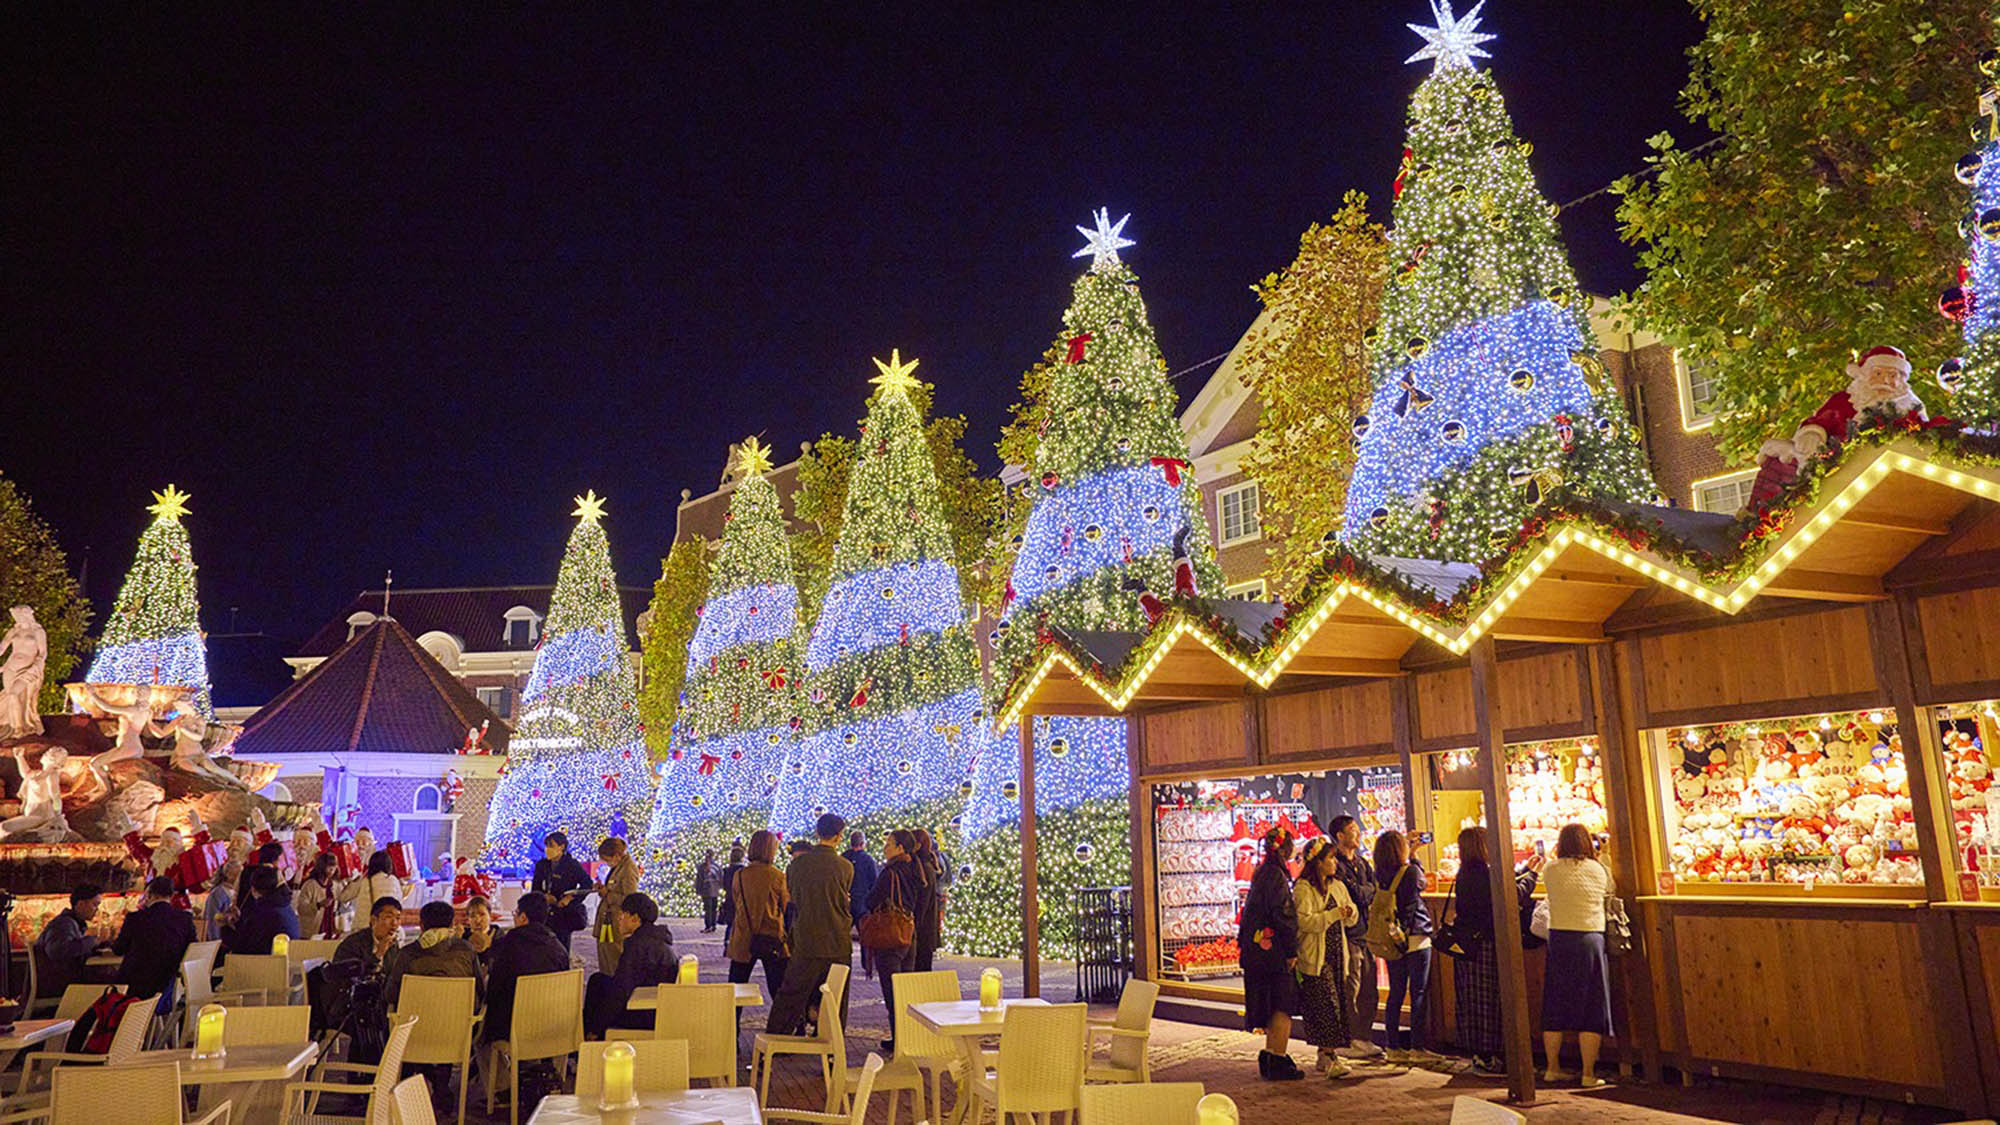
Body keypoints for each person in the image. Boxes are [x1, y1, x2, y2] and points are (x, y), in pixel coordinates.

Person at [1449, 826, 1541, 1077]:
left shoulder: (1466, 872)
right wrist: (1532, 876)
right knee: (1490, 1001)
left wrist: (1523, 872)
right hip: (1486, 944)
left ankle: (1480, 1056)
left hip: (1467, 946)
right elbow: (1510, 897)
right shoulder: (1484, 874)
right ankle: (1489, 1058)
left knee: (1472, 1001)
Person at [766, 813, 854, 1037]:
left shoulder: (797, 866)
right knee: (836, 997)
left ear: (817, 833)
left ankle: (776, 1040)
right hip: (837, 938)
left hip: (806, 937)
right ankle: (832, 1046)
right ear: (839, 836)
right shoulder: (845, 866)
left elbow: (793, 898)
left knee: (791, 993)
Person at [1541, 823, 1614, 1087]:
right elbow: (1611, 888)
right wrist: (1604, 853)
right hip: (1590, 938)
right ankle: (1587, 1074)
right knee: (1592, 1006)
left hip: (1559, 939)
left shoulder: (1551, 869)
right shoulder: (1598, 868)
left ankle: (1552, 1068)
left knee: (1554, 1004)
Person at [1237, 827, 1304, 1080]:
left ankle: (1271, 1055)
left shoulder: (1262, 873)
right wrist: (1291, 948)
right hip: (1273, 952)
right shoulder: (1276, 876)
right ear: (1284, 849)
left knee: (1272, 1001)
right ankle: (1277, 1056)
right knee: (1281, 1004)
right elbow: (1283, 914)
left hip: (1258, 950)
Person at [1293, 837, 1359, 1079]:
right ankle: (1330, 1056)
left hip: (1337, 952)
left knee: (1336, 1001)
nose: (1334, 862)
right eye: (1330, 858)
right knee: (1325, 1003)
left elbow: (1351, 913)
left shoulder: (1337, 885)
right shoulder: (1303, 888)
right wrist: (1332, 914)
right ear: (1318, 862)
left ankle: (1325, 1053)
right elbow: (1304, 921)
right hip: (1315, 954)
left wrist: (1349, 913)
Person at [1372, 829, 1437, 1064]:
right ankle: (1417, 1047)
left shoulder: (1379, 873)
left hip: (1392, 938)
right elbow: (1422, 885)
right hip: (1414, 937)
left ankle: (1392, 1045)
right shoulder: (1408, 871)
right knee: (1418, 992)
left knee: (1396, 992)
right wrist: (1415, 857)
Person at [868, 829, 929, 1052]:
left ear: (900, 848)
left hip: (892, 936)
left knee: (892, 991)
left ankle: (900, 1039)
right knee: (905, 989)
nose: (885, 848)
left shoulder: (890, 873)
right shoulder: (917, 868)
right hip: (909, 933)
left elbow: (871, 900)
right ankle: (908, 1036)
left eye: (889, 844)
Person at [1327, 815, 1382, 1059]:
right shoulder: (1335, 865)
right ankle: (1351, 1039)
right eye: (1352, 829)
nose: (1358, 833)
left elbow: (1373, 889)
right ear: (1340, 835)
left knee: (1370, 986)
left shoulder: (1361, 862)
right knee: (1352, 987)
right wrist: (1365, 892)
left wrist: (1365, 892)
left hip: (1367, 932)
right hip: (1348, 934)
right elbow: (1357, 894)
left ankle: (1364, 1036)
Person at [584, 893, 676, 1038]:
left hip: (643, 1012)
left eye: (623, 914)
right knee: (599, 981)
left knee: (598, 986)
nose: (619, 919)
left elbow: (621, 991)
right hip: (654, 1006)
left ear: (635, 919)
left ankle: (589, 1037)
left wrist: (597, 1026)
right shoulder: (655, 938)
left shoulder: (638, 946)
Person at [484, 893, 572, 1045]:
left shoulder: (508, 944)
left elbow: (494, 988)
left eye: (516, 914)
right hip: (553, 1026)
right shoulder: (558, 947)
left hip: (512, 1029)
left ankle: (494, 1067)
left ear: (523, 917)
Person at [319, 897, 403, 1037]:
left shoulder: (393, 945)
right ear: (373, 920)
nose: (394, 924)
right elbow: (346, 977)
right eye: (388, 917)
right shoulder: (353, 944)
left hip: (376, 1006)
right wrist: (379, 954)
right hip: (348, 1005)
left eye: (398, 918)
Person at [114, 875, 197, 1014]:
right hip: (168, 987)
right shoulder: (185, 919)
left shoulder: (135, 919)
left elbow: (118, 949)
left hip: (133, 987)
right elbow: (192, 950)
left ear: (149, 894)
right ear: (171, 895)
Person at [726, 830, 788, 998]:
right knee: (778, 989)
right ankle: (780, 1024)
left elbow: (736, 899)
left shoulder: (740, 875)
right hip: (771, 936)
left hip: (743, 936)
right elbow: (785, 905)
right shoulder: (778, 876)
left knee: (736, 989)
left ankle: (732, 1023)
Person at [389, 900, 485, 1004]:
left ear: (421, 925)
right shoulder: (466, 950)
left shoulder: (408, 953)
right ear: (452, 924)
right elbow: (480, 990)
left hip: (416, 1018)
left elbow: (391, 995)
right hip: (458, 1018)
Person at [34, 885, 109, 1001]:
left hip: (62, 981)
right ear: (80, 904)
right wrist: (95, 940)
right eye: (95, 904)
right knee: (111, 983)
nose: (97, 910)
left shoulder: (72, 923)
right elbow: (58, 951)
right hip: (56, 985)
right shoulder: (64, 924)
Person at [532, 832, 592, 958]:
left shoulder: (572, 865)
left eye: (552, 846)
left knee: (561, 949)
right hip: (545, 913)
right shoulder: (542, 865)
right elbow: (535, 888)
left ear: (562, 847)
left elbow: (587, 884)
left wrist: (570, 899)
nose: (548, 849)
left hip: (564, 913)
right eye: (547, 846)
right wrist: (543, 897)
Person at [593, 837, 642, 975]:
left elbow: (630, 898)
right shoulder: (618, 866)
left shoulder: (628, 869)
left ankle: (614, 987)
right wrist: (603, 889)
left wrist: (607, 895)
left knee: (614, 959)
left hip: (616, 923)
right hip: (607, 921)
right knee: (605, 956)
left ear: (616, 855)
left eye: (606, 859)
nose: (606, 862)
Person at [231, 864, 301, 955]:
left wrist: (227, 927)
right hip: (286, 962)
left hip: (264, 965)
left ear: (253, 890)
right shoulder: (285, 906)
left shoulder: (261, 913)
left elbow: (241, 948)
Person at [841, 831, 879, 979]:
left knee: (842, 934)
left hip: (846, 901)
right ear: (863, 843)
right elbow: (874, 882)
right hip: (862, 902)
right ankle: (867, 965)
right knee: (866, 937)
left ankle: (842, 964)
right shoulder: (868, 860)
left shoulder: (844, 858)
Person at [338, 850, 404, 930]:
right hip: (387, 926)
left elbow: (343, 897)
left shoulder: (364, 881)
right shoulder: (393, 880)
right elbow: (399, 903)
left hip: (364, 926)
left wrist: (349, 881)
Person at [911, 828, 945, 972]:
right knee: (923, 968)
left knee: (919, 971)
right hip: (928, 929)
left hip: (921, 931)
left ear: (917, 845)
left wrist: (914, 926)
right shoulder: (929, 864)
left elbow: (922, 904)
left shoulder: (921, 868)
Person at [294, 852, 344, 939]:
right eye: (329, 866)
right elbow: (301, 908)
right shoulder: (310, 885)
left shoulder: (335, 885)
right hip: (312, 931)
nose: (332, 870)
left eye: (334, 866)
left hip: (330, 930)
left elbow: (345, 897)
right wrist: (318, 905)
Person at [718, 845, 748, 946]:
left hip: (729, 898)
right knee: (741, 923)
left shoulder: (726, 870)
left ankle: (727, 942)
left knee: (730, 924)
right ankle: (739, 944)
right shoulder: (744, 870)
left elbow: (723, 884)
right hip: (741, 898)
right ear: (742, 857)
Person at [461, 896, 497, 963]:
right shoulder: (463, 938)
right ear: (468, 919)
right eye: (472, 916)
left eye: (482, 914)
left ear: (490, 916)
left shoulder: (498, 937)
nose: (477, 920)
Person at [694, 850, 722, 934]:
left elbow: (699, 879)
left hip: (706, 891)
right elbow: (720, 877)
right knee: (712, 908)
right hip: (714, 890)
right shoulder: (716, 866)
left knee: (708, 909)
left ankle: (709, 926)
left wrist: (698, 889)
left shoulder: (702, 867)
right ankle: (712, 925)